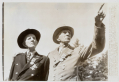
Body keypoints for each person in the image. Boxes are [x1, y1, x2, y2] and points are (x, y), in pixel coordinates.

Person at [48, 10, 106, 81]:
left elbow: (97, 47)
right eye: (64, 32)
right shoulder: (50, 55)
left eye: (69, 33)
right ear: (58, 38)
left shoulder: (77, 51)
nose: (68, 34)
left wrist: (98, 25)